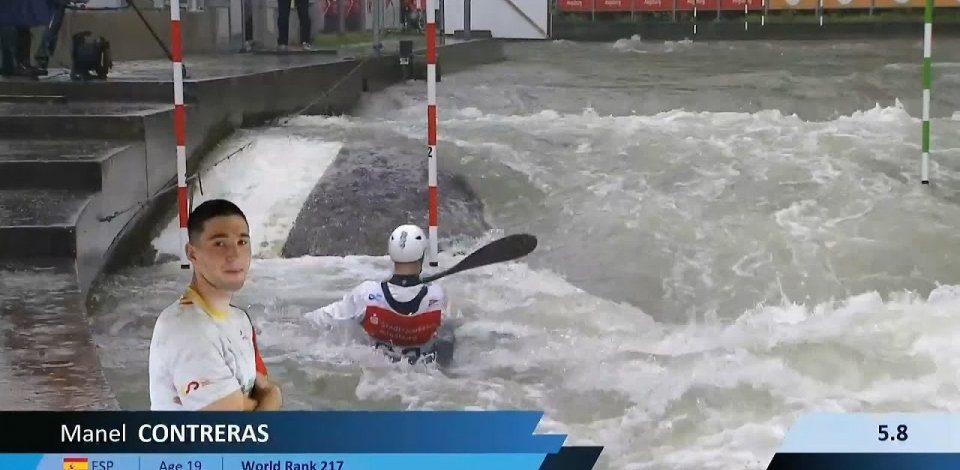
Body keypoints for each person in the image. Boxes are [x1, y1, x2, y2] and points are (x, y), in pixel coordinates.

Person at [148, 199, 283, 411]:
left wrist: (259, 400)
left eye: (242, 242)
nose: (234, 254)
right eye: (220, 243)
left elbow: (256, 388)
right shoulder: (186, 330)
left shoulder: (239, 320)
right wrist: (273, 394)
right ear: (192, 253)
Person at [306, 224, 457, 365]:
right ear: (422, 256)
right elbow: (457, 324)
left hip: (379, 370)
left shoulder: (367, 294)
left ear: (391, 255)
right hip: (424, 373)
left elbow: (321, 319)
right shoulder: (439, 297)